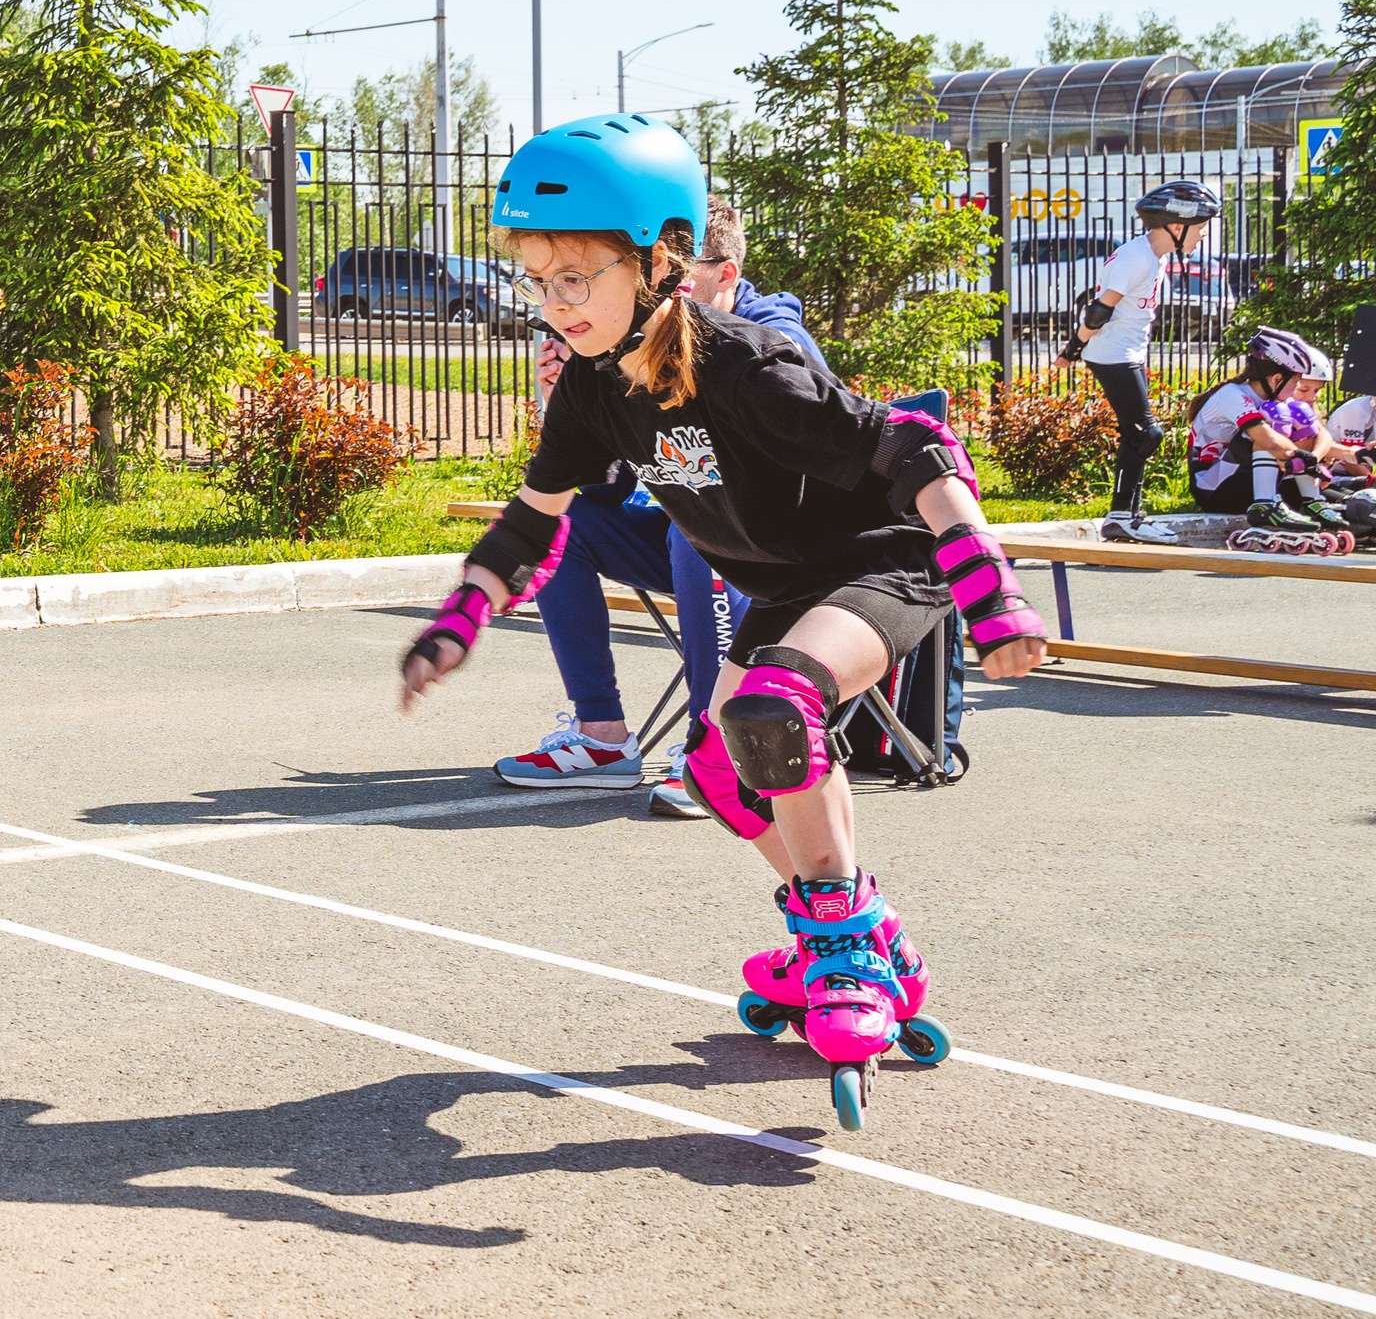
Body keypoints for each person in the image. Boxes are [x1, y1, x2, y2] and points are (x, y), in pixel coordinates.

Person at [399, 114, 1047, 1127]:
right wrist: (461, 616)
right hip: (789, 587)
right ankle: (854, 931)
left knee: (776, 708)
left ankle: (841, 950)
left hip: (882, 559)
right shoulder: (587, 390)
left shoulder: (743, 362)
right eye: (536, 277)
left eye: (577, 275)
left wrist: (987, 582)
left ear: (658, 259)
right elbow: (535, 519)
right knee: (719, 771)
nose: (553, 301)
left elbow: (914, 446)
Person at [494, 199, 826, 821]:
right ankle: (603, 740)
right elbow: (608, 490)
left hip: (794, 555)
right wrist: (569, 405)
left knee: (695, 534)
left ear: (723, 276)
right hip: (702, 541)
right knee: (564, 526)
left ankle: (717, 748)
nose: (657, 290)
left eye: (676, 274)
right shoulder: (630, 346)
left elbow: (794, 479)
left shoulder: (774, 340)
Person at [1059, 180, 1220, 545]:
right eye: (1201, 227)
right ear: (1176, 227)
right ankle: (1121, 516)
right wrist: (1073, 349)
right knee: (1147, 433)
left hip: (1127, 353)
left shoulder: (1153, 256)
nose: (1204, 235)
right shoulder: (1135, 258)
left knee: (1138, 434)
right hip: (1113, 354)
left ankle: (1127, 515)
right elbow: (1100, 309)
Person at [1187, 327, 1366, 551]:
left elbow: (1321, 435)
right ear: (1277, 379)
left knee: (1299, 414)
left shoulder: (1274, 397)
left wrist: (1349, 454)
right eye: (1296, 383)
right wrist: (1305, 464)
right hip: (1214, 488)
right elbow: (1269, 441)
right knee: (1275, 418)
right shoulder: (1232, 395)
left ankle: (1313, 501)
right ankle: (1265, 505)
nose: (1295, 390)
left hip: (1245, 477)